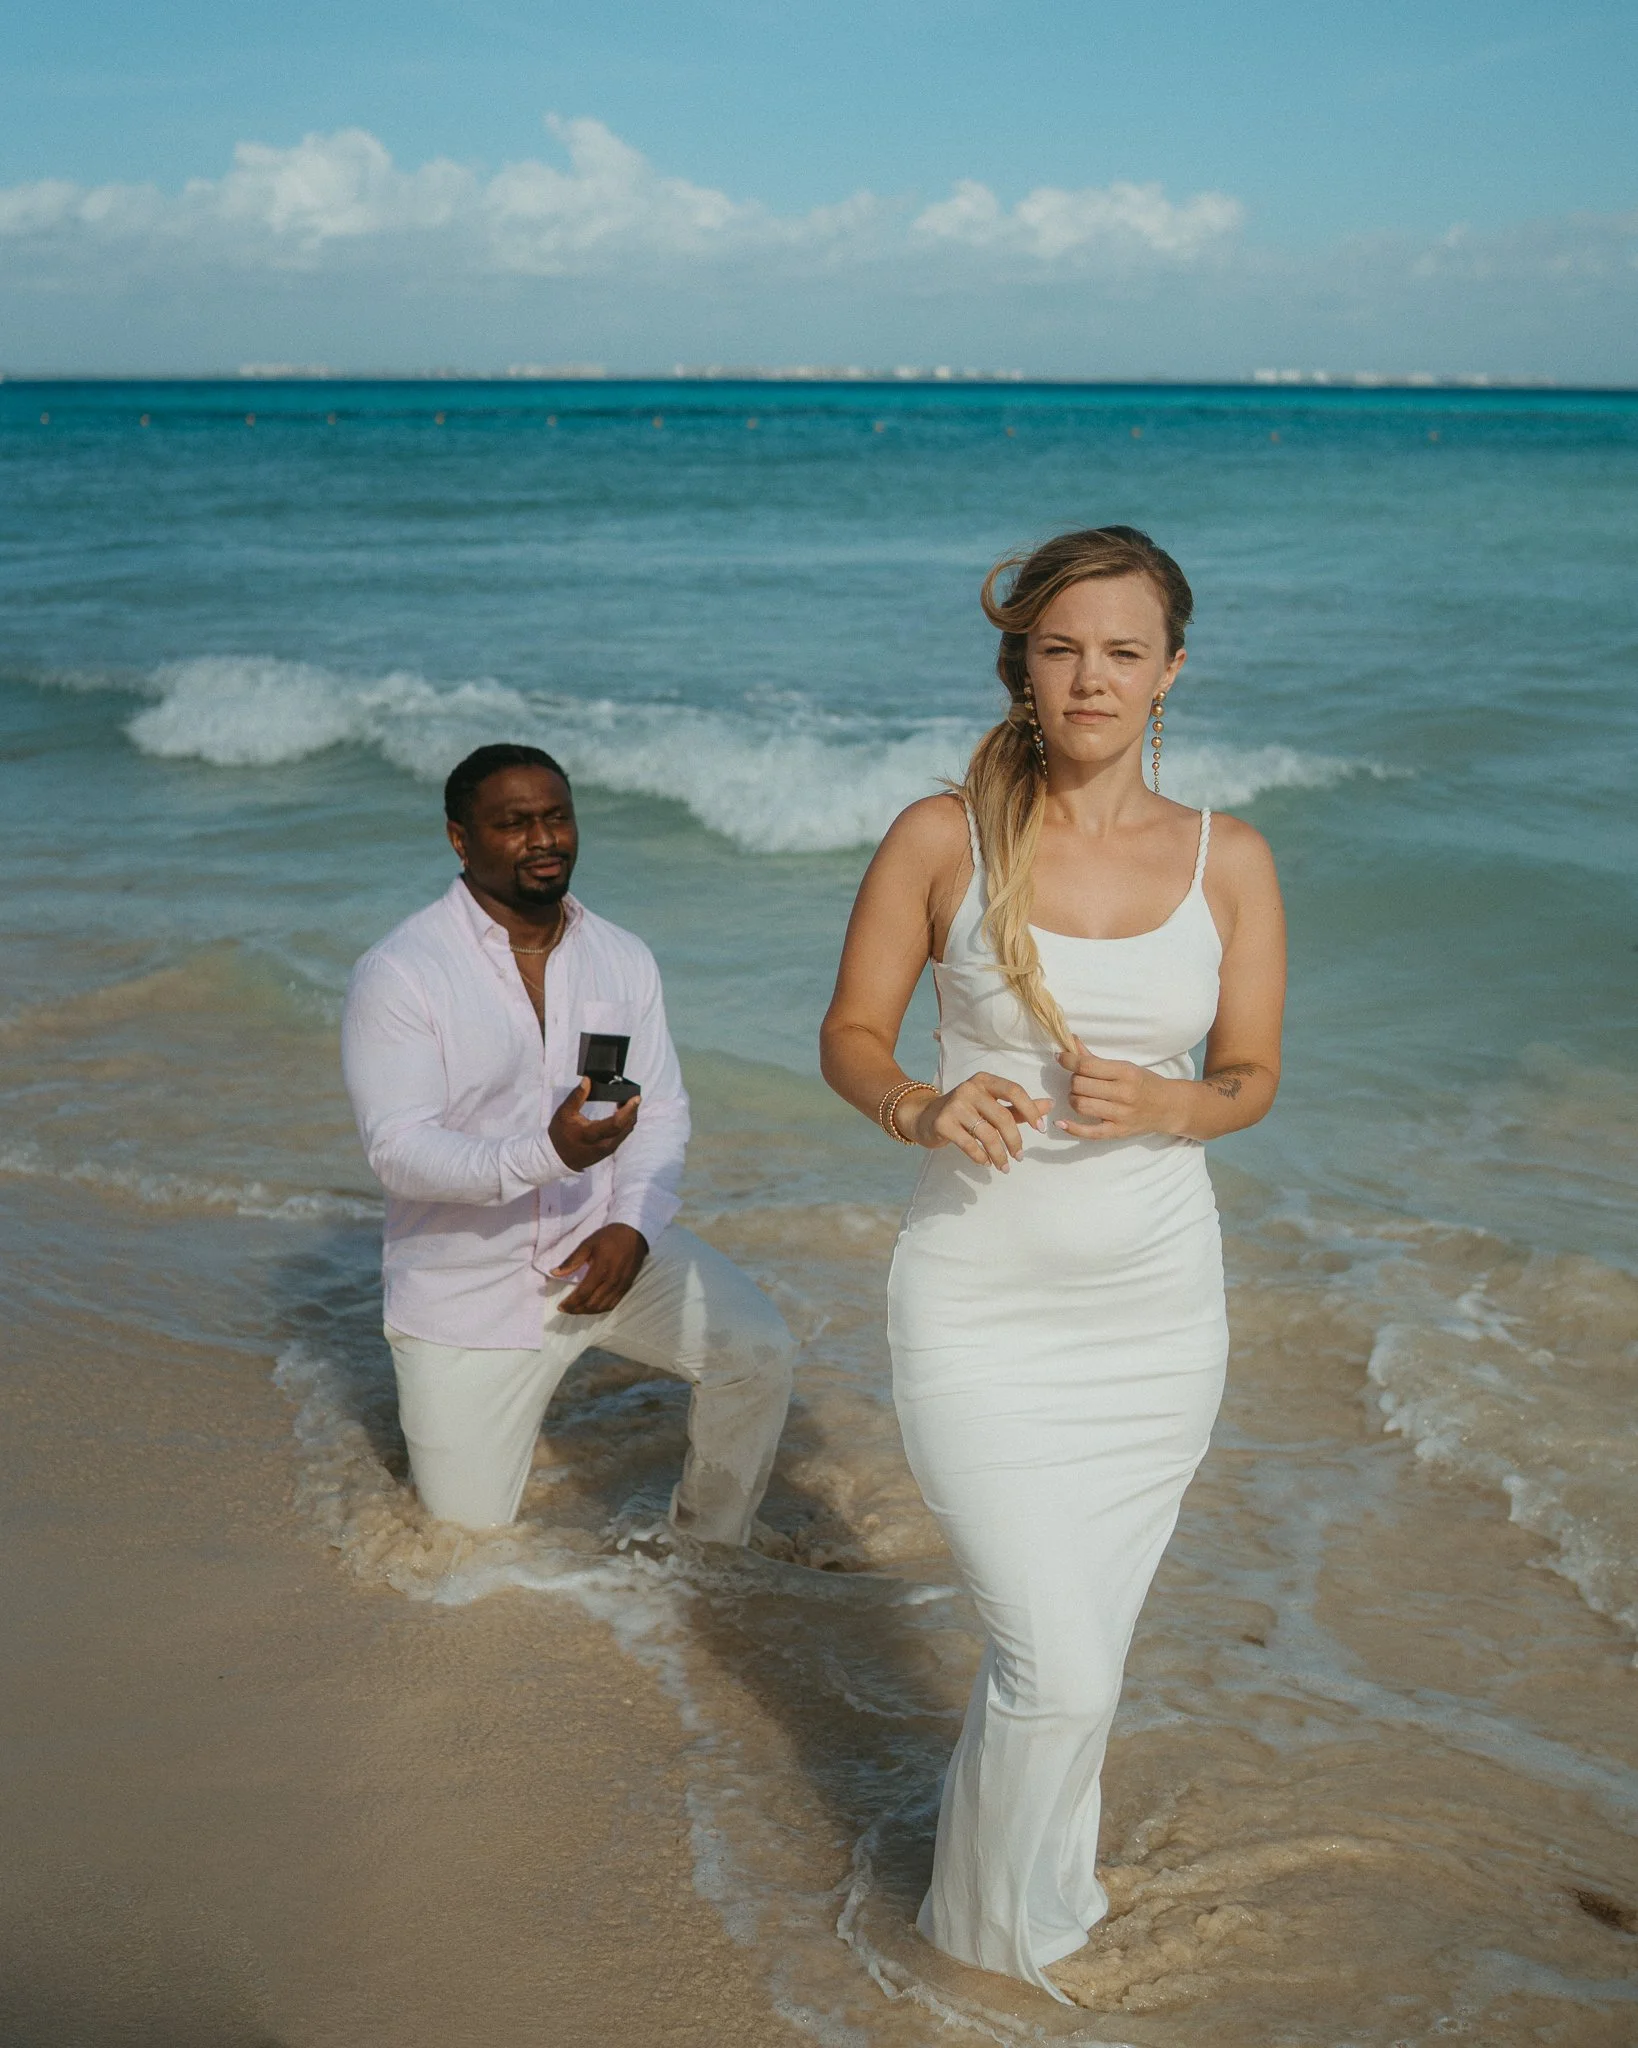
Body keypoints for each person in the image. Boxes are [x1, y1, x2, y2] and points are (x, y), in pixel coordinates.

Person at [819, 528, 1285, 1999]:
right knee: (1054, 1669)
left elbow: (1252, 1075)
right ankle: (982, 1970)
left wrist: (1172, 1106)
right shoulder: (938, 835)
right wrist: (918, 1103)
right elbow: (848, 1036)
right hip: (977, 1308)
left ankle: (1036, 1915)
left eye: (1124, 651)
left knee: (1079, 1663)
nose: (1092, 676)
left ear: (1171, 676)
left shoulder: (1233, 859)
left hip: (1154, 1323)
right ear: (1020, 661)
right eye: (1063, 646)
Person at [341, 742, 794, 1545]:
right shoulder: (402, 972)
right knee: (467, 1552)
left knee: (756, 1351)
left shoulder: (621, 957)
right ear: (460, 839)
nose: (542, 839)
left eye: (556, 817)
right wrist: (544, 1156)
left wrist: (632, 1227)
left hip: (603, 1251)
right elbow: (398, 1150)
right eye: (512, 824)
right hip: (468, 1292)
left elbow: (658, 1111)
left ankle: (708, 1554)